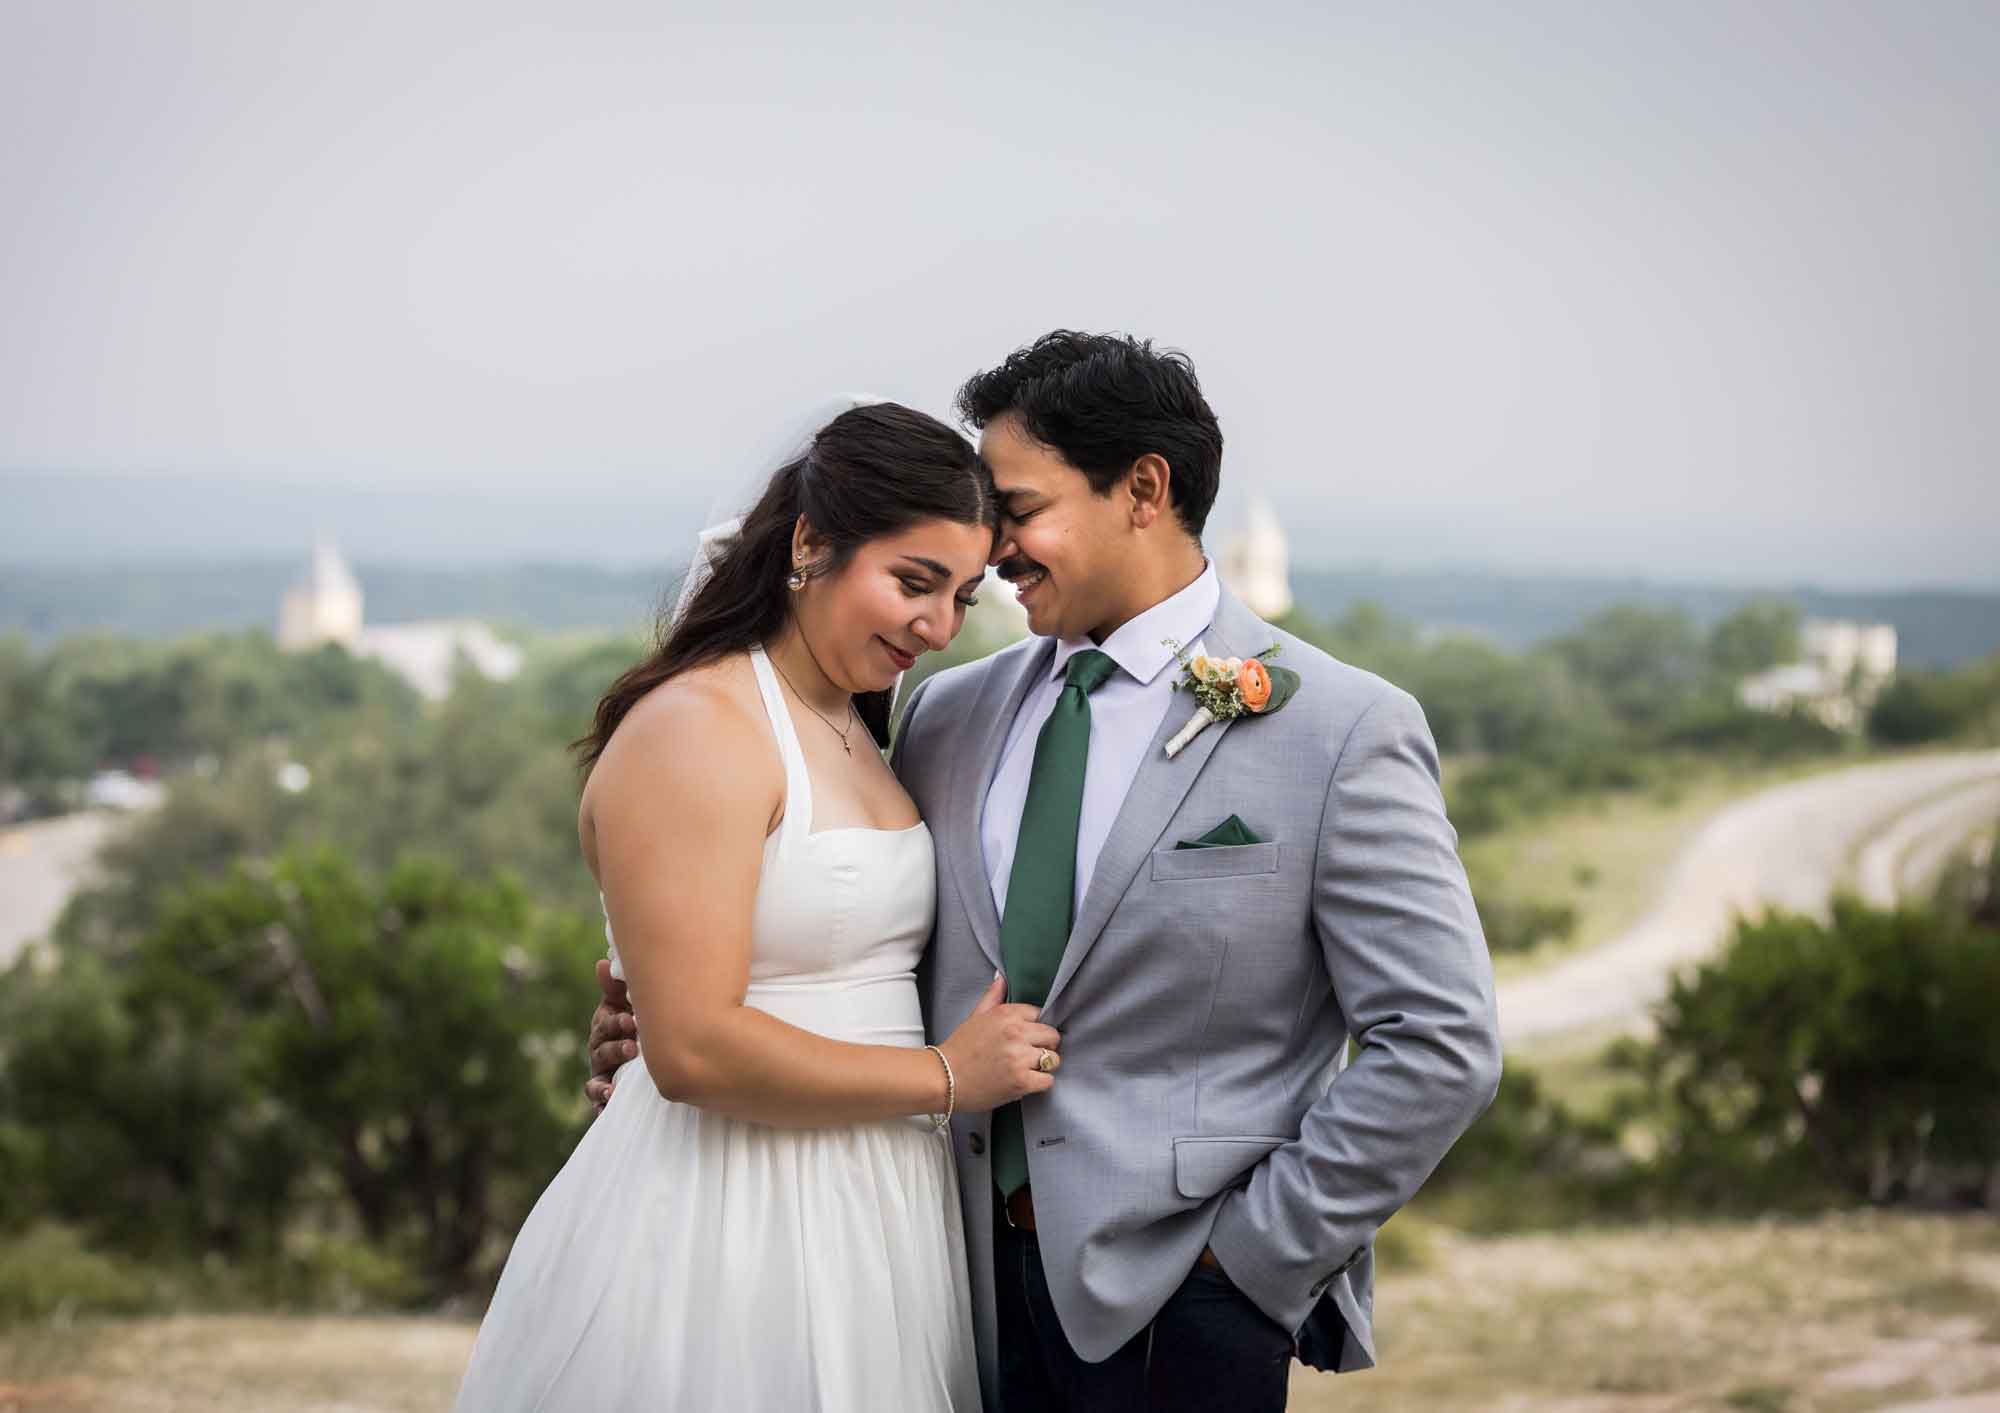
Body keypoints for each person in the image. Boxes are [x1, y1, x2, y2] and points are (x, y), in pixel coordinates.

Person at [589, 331, 1503, 1412]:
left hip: (1186, 1298)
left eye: (1016, 511)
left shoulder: (1343, 728)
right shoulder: (945, 711)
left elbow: (1440, 1042)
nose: (997, 550)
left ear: (1143, 489)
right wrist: (671, 1016)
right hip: (928, 1271)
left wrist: (1251, 1259)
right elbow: (830, 916)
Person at [457, 402, 1059, 1412]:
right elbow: (690, 1051)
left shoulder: (856, 722)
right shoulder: (698, 727)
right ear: (810, 544)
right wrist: (947, 1074)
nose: (938, 626)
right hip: (733, 1210)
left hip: (877, 1201)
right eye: (911, 583)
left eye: (961, 593)